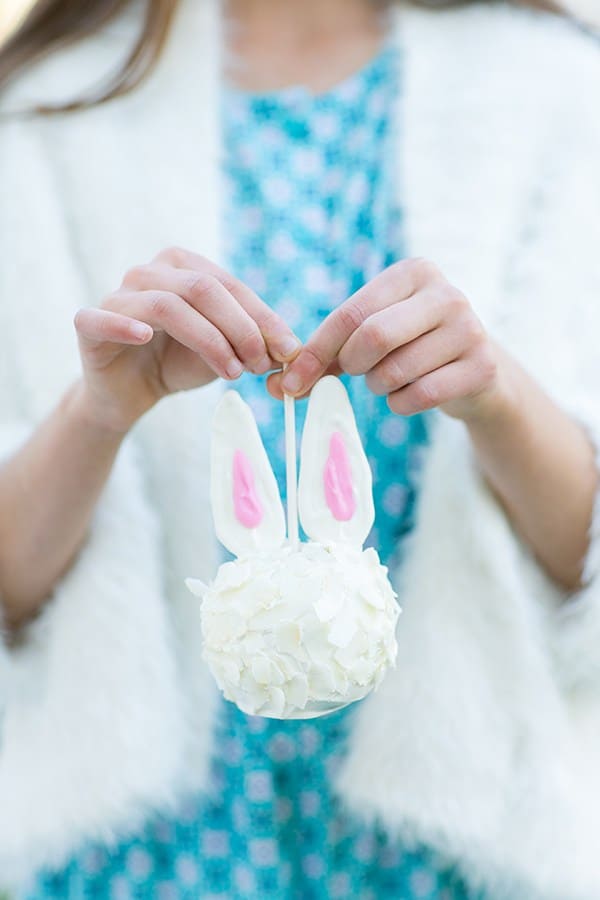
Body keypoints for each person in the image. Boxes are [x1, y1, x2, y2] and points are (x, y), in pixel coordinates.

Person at [0, 0, 599, 897]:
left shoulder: (556, 91)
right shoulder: (50, 109)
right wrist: (98, 412)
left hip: (455, 847)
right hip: (136, 856)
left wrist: (497, 397)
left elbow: (579, 568)